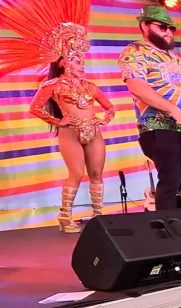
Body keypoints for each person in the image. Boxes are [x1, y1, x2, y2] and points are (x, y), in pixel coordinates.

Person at [3, 0, 114, 233]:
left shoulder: (91, 86)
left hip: (93, 132)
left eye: (81, 60)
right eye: (75, 60)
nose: (80, 64)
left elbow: (109, 108)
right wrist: (58, 121)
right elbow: (35, 108)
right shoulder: (52, 85)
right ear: (64, 63)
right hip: (70, 133)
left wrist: (103, 119)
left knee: (96, 174)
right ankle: (64, 218)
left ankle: (98, 217)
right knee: (76, 173)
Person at [119, 5, 181, 210]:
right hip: (159, 128)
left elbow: (180, 87)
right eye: (162, 27)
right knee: (171, 182)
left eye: (172, 28)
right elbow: (136, 86)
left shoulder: (176, 59)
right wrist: (173, 110)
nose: (168, 32)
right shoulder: (136, 51)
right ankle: (169, 234)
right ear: (144, 26)